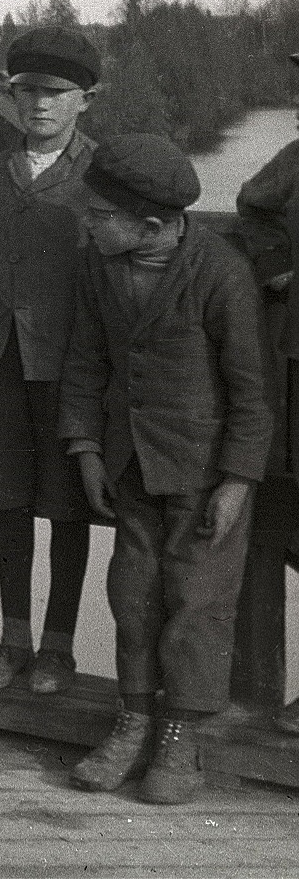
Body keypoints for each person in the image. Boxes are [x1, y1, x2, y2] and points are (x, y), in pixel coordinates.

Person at [62, 135, 269, 805]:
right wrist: (85, 448)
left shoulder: (221, 273)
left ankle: (182, 736)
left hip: (204, 474)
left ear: (153, 225)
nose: (87, 224)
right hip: (131, 467)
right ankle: (133, 720)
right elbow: (86, 362)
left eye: (99, 216)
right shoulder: (99, 265)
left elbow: (250, 390)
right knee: (131, 596)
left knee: (197, 606)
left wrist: (237, 480)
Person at [0, 26, 101, 697]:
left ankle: (59, 647)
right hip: (1, 361)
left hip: (68, 362)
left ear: (85, 101)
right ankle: (11, 638)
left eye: (55, 93)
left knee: (66, 504)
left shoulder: (98, 173)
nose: (39, 105)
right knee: (9, 499)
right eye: (26, 93)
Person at [234, 62, 299, 735]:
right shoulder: (293, 160)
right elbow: (251, 206)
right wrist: (274, 258)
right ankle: (259, 693)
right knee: (278, 510)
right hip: (293, 361)